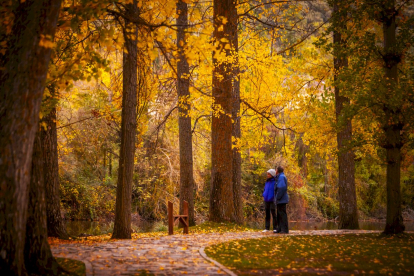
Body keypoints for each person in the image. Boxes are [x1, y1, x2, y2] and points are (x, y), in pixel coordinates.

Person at [274, 166, 289, 234]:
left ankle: (284, 229)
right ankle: (279, 228)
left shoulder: (281, 177)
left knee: (282, 214)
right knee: (279, 214)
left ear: (277, 170)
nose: (275, 171)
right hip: (280, 199)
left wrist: (277, 197)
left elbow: (281, 188)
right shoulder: (279, 177)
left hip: (282, 199)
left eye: (276, 169)